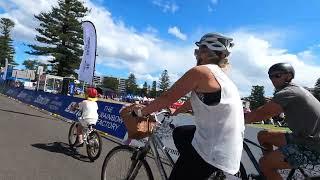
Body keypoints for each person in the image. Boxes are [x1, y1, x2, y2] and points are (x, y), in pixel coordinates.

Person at [130, 33, 245, 179]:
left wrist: (141, 113)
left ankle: (190, 168)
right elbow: (196, 100)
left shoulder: (201, 71)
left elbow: (167, 97)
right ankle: (190, 167)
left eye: (197, 51)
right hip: (230, 149)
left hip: (213, 151)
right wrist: (176, 110)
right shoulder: (223, 78)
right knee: (180, 133)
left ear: (204, 52)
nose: (196, 55)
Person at [244, 63, 320, 180]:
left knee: (264, 163)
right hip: (303, 138)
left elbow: (263, 113)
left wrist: (236, 120)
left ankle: (269, 168)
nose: (273, 79)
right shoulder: (295, 90)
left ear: (288, 76)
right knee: (263, 135)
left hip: (312, 147)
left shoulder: (289, 93)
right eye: (270, 77)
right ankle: (271, 173)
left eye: (277, 75)